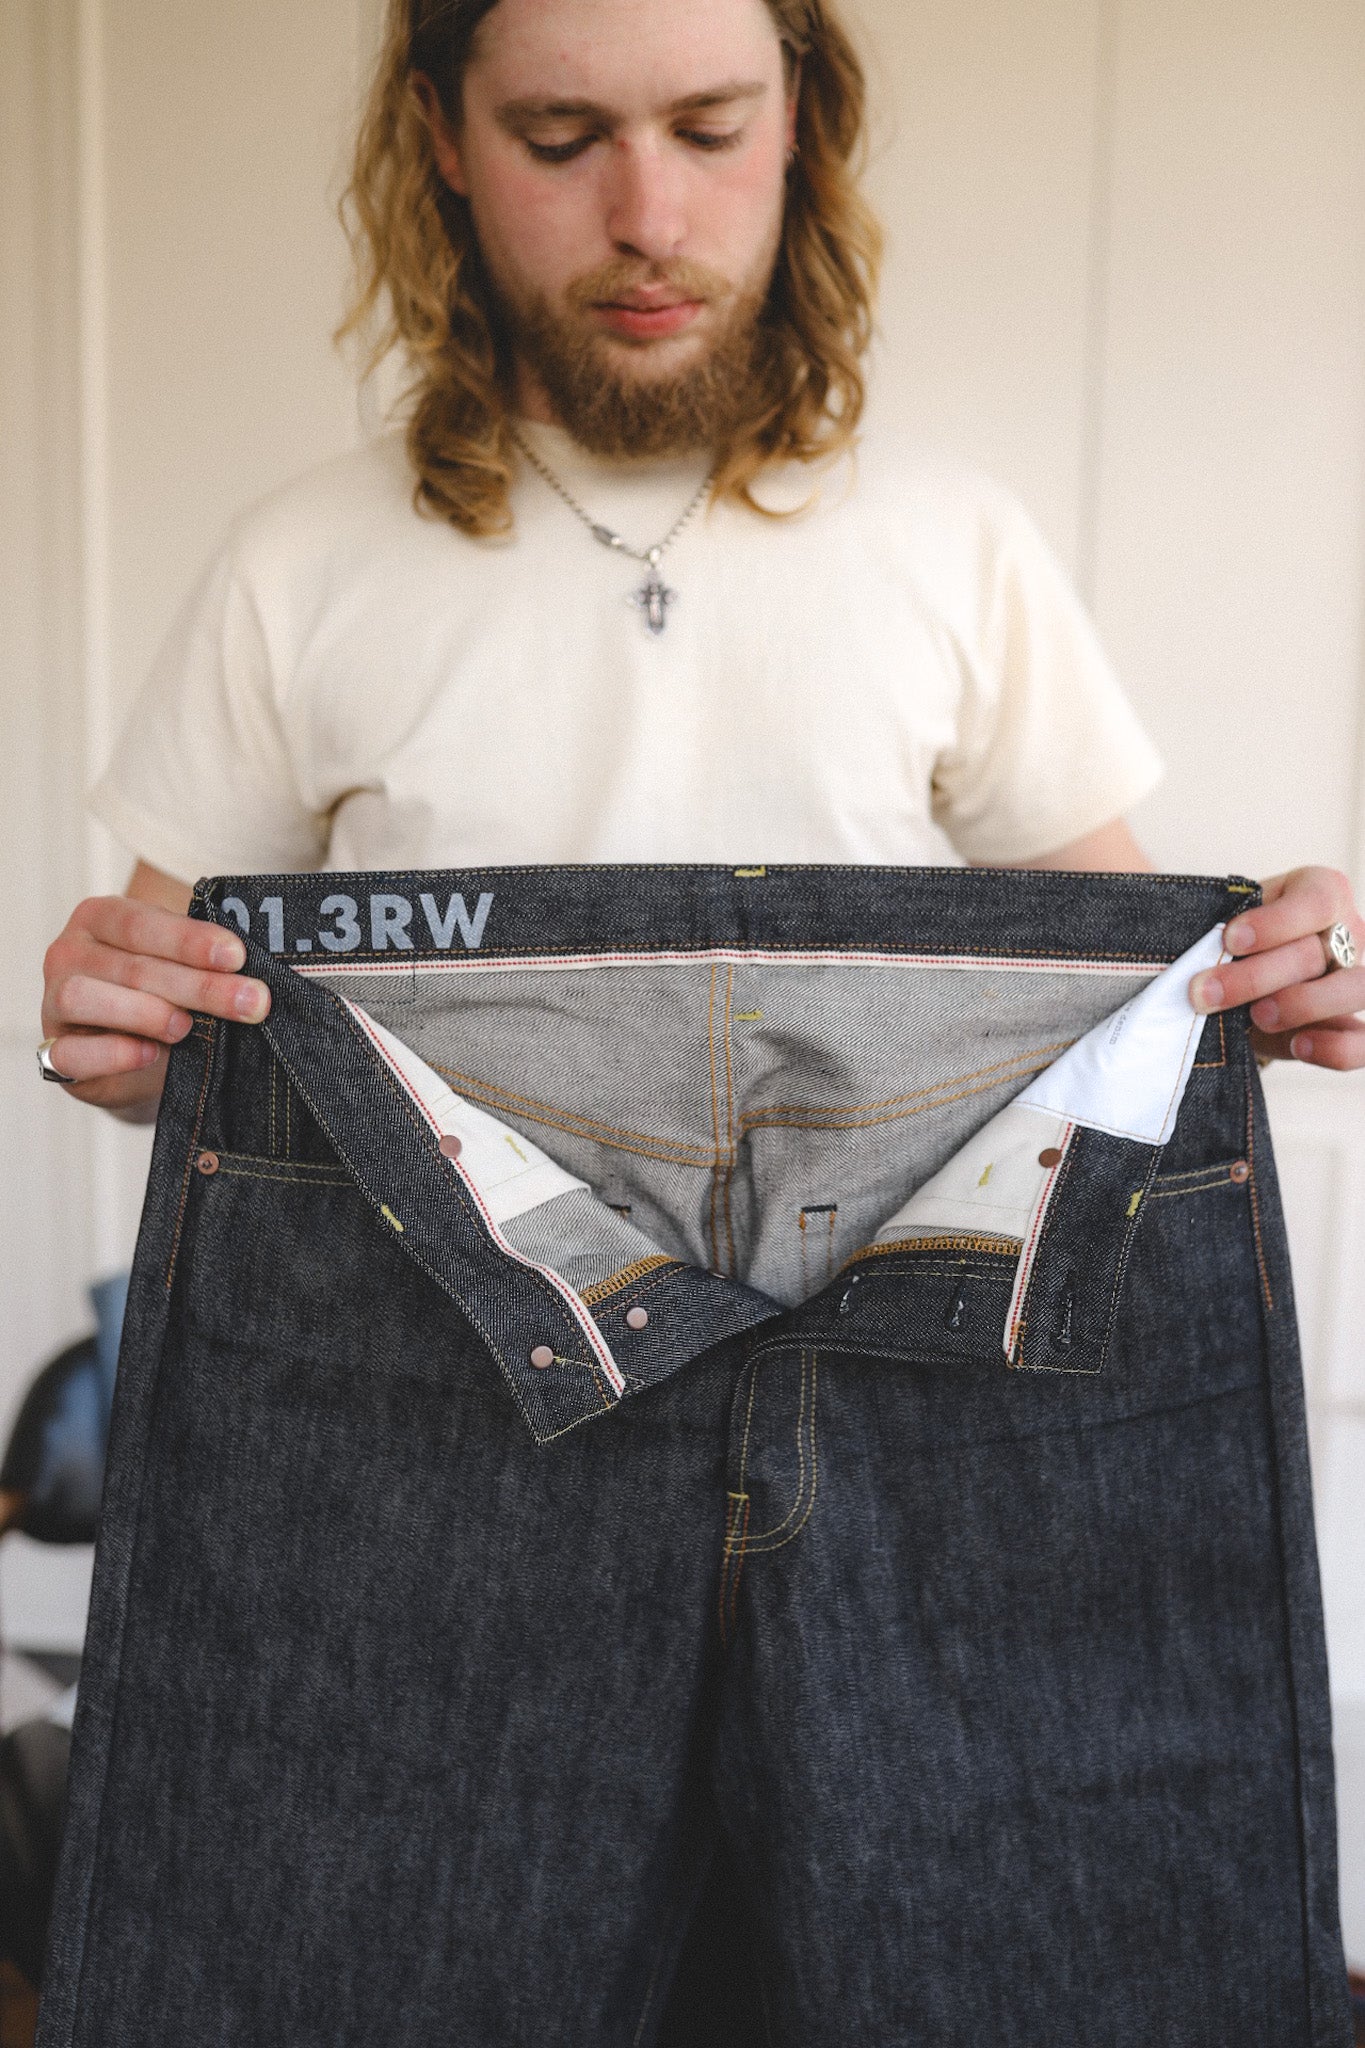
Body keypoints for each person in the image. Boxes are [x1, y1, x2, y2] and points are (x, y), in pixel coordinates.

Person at [30, 0, 1363, 2038]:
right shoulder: (298, 568)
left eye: (705, 126)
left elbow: (1119, 1011)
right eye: (559, 133)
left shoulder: (951, 548)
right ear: (443, 143)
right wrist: (118, 1028)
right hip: (425, 1452)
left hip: (918, 1448)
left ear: (798, 126)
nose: (644, 213)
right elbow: (183, 1050)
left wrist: (1275, 980)